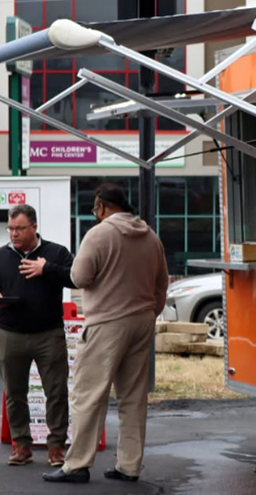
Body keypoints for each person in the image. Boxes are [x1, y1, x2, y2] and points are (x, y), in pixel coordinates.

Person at [43, 182, 169, 484]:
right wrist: (151, 312)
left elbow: (79, 277)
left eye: (94, 210)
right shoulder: (151, 237)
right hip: (142, 321)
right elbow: (161, 283)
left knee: (88, 394)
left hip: (106, 322)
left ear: (101, 207)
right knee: (133, 397)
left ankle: (77, 465)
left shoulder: (98, 235)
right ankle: (129, 465)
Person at [0, 204, 75, 467]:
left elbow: (76, 278)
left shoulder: (55, 253)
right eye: (10, 228)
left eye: (20, 228)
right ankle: (21, 445)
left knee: (56, 392)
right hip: (11, 334)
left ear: (34, 227)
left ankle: (56, 447)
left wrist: (47, 269)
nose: (14, 234)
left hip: (49, 334)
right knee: (14, 393)